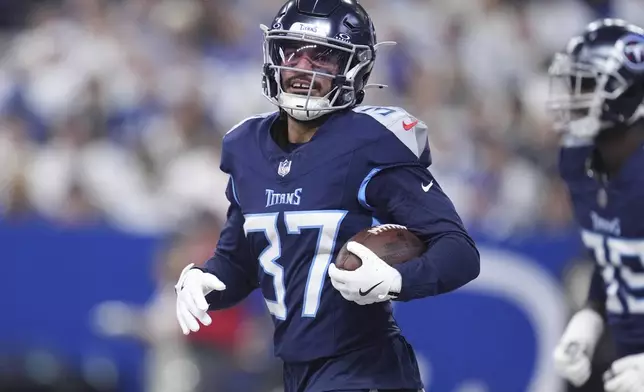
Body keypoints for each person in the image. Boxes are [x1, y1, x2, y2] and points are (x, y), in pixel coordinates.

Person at [175, 1, 480, 391]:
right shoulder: (245, 147)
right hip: (297, 372)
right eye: (293, 53)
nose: (302, 69)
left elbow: (459, 251)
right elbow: (240, 261)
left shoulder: (371, 142)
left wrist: (397, 279)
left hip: (367, 371)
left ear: (354, 70)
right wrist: (204, 280)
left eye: (323, 58)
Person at [548, 18, 644, 392]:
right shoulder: (578, 161)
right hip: (626, 355)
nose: (571, 96)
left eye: (585, 84)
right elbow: (618, 255)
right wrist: (591, 314)